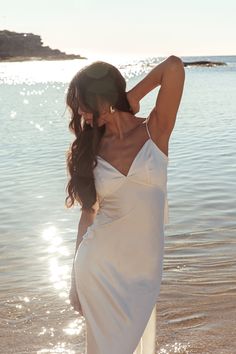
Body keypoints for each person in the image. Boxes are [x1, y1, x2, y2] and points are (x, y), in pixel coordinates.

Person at [66, 56, 185, 354]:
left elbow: (173, 67)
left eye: (83, 103)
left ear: (102, 98)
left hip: (143, 273)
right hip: (98, 269)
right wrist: (73, 282)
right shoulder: (89, 150)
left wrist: (132, 97)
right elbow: (87, 216)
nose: (80, 112)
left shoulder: (154, 131)